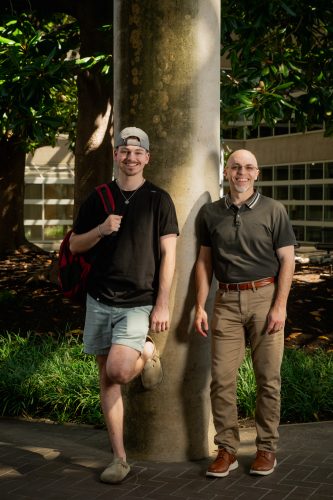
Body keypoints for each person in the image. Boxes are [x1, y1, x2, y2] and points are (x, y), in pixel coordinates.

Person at [69, 127, 179, 484]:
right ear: (115, 155)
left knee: (118, 371)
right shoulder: (97, 198)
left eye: (137, 152)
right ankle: (119, 458)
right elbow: (75, 247)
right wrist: (101, 229)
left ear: (147, 158)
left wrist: (162, 303)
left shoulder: (159, 199)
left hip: (137, 302)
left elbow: (169, 255)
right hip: (99, 299)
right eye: (123, 151)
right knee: (106, 378)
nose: (130, 157)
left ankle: (146, 351)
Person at [194, 149, 296, 477]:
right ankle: (227, 450)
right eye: (236, 166)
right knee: (221, 380)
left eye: (248, 167)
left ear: (257, 173)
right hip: (225, 301)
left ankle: (266, 449)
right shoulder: (211, 213)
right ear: (227, 172)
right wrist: (199, 305)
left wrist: (280, 306)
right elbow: (204, 262)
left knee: (269, 380)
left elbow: (288, 261)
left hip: (265, 299)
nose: (242, 172)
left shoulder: (274, 210)